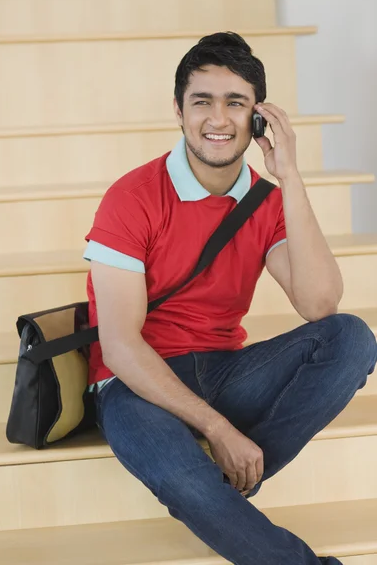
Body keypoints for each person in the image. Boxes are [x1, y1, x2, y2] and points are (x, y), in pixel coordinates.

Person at [83, 32, 377, 564]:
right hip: (133, 386)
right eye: (202, 101)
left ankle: (218, 482)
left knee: (352, 339)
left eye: (235, 103)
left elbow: (320, 305)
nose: (218, 119)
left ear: (257, 117)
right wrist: (219, 430)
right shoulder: (131, 198)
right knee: (183, 479)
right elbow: (122, 347)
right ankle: (216, 488)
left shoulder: (265, 201)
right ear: (178, 109)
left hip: (224, 372)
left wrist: (289, 176)